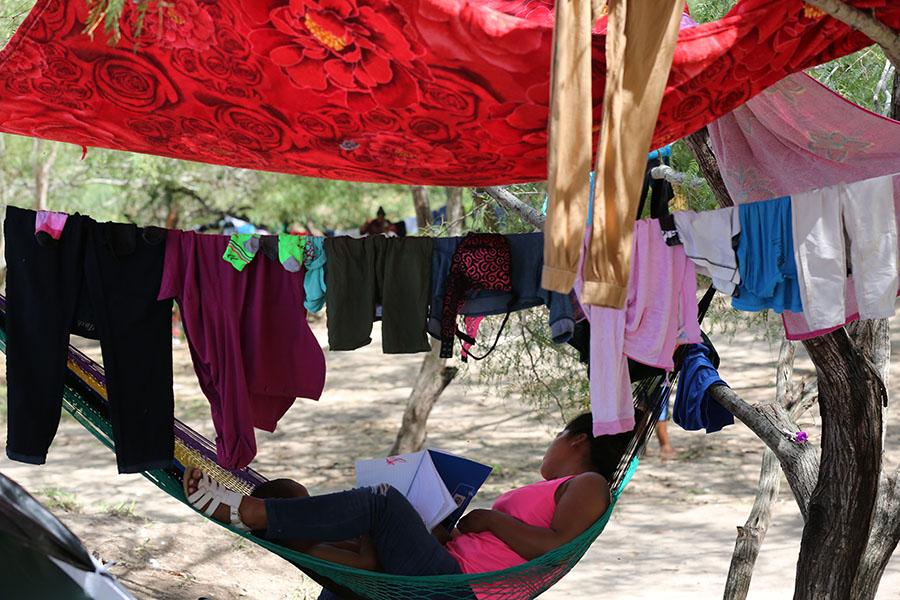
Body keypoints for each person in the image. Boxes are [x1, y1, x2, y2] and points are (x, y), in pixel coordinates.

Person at [183, 412, 635, 598]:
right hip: (442, 565)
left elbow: (551, 545)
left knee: (383, 504)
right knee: (291, 497)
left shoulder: (590, 483)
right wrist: (447, 524)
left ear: (576, 439)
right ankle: (273, 521)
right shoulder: (564, 486)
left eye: (556, 435)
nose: (549, 447)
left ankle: (252, 515)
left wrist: (488, 519)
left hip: (457, 588)